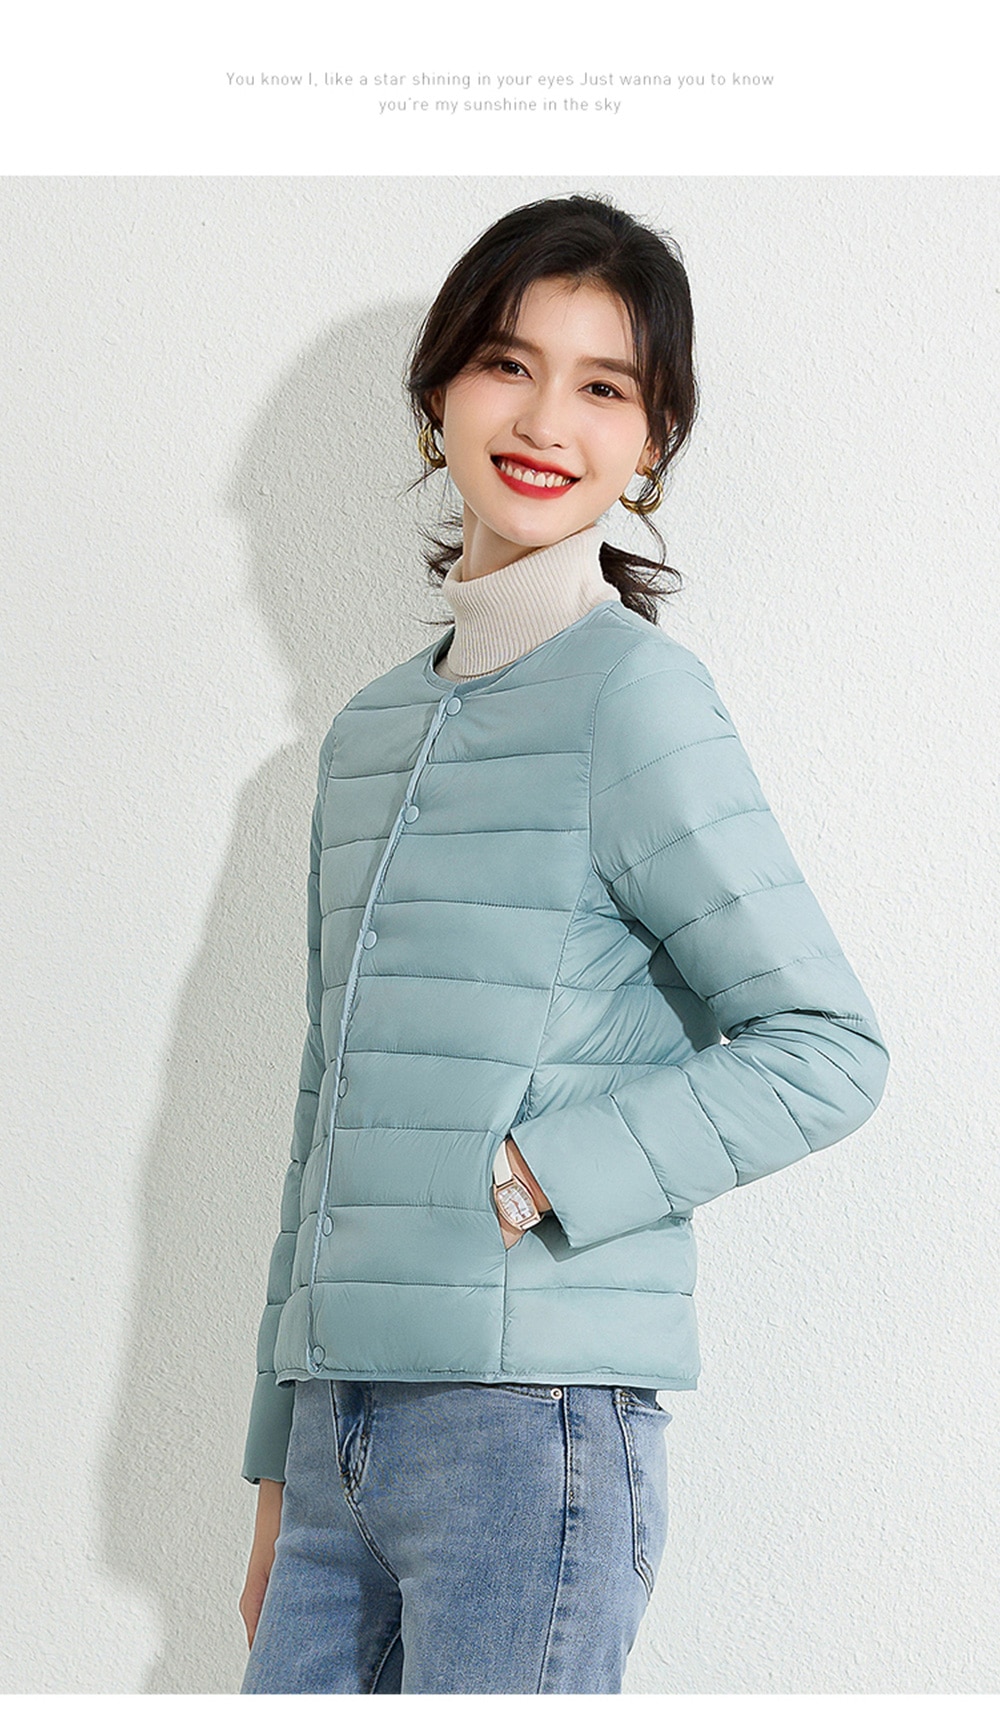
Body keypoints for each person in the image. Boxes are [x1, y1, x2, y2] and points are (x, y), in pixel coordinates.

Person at [237, 194, 890, 1695]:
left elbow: (828, 1048)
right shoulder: (366, 734)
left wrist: (548, 1170)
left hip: (529, 1437)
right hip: (337, 1436)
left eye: (604, 387)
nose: (545, 421)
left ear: (652, 445)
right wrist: (277, 1460)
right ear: (439, 396)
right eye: (507, 365)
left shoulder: (636, 699)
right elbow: (323, 1105)